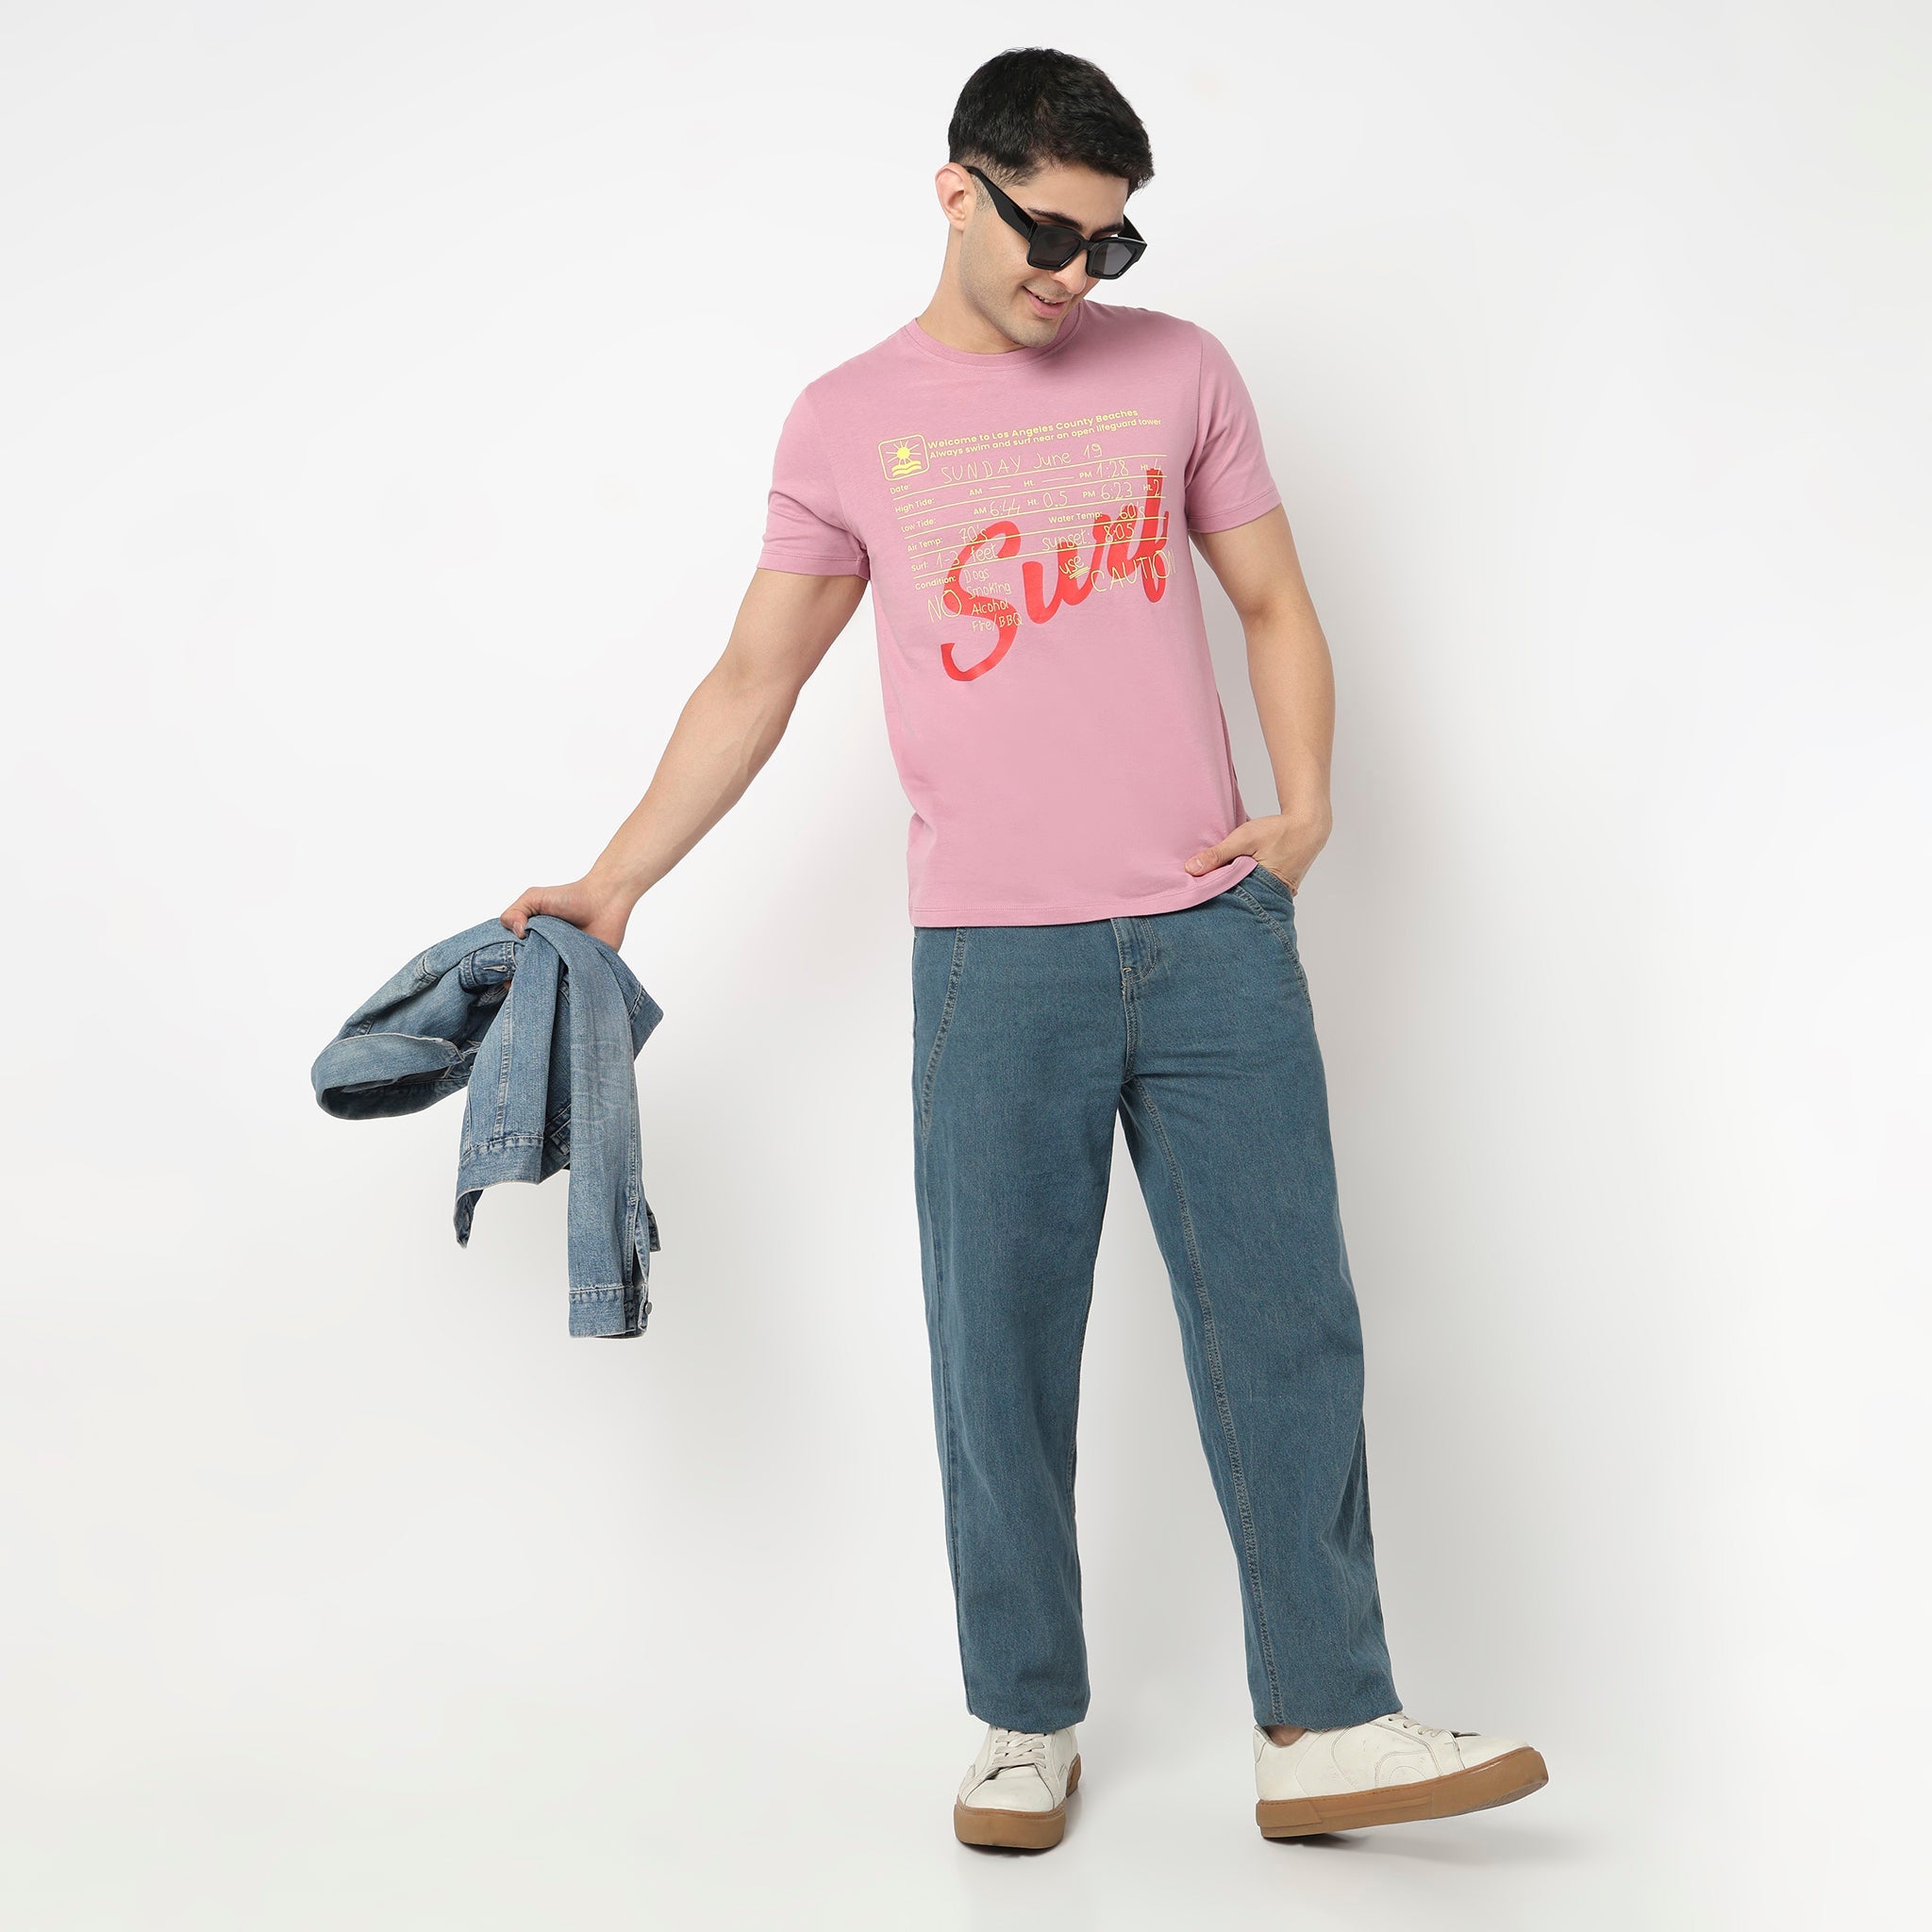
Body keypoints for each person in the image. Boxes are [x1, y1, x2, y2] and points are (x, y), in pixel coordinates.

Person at [502, 46, 1548, 1851]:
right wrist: (616, 882)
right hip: (995, 962)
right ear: (956, 191)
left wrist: (1304, 808)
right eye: (1050, 233)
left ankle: (1324, 1723)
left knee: (1290, 1325)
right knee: (998, 1347)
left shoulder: (1183, 371)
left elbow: (1275, 599)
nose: (1078, 273)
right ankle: (1022, 1720)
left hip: (1212, 935)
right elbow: (756, 677)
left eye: (1111, 243)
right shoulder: (847, 420)